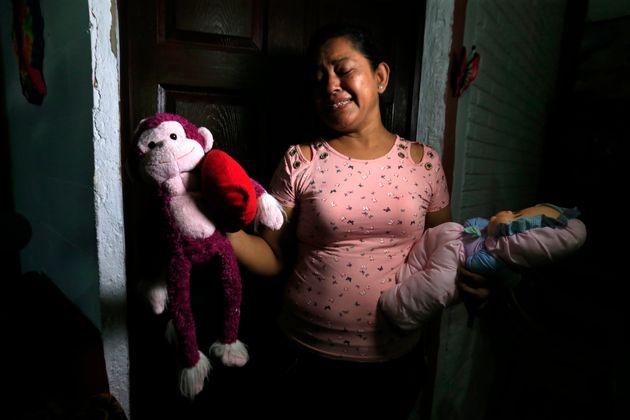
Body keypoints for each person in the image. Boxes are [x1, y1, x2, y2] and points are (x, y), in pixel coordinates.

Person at [226, 23, 451, 418]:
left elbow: (445, 253)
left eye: (344, 70)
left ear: (380, 77)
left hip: (394, 360)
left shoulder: (425, 164)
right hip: (304, 356)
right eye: (319, 79)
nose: (330, 85)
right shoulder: (300, 160)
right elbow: (271, 255)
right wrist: (217, 228)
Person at [379, 203, 587, 331]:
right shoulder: (486, 231)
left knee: (439, 284)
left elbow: (479, 265)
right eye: (516, 211)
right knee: (446, 232)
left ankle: (398, 308)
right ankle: (408, 273)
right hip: (447, 245)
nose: (507, 211)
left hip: (452, 263)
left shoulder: (500, 253)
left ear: (514, 237)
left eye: (515, 217)